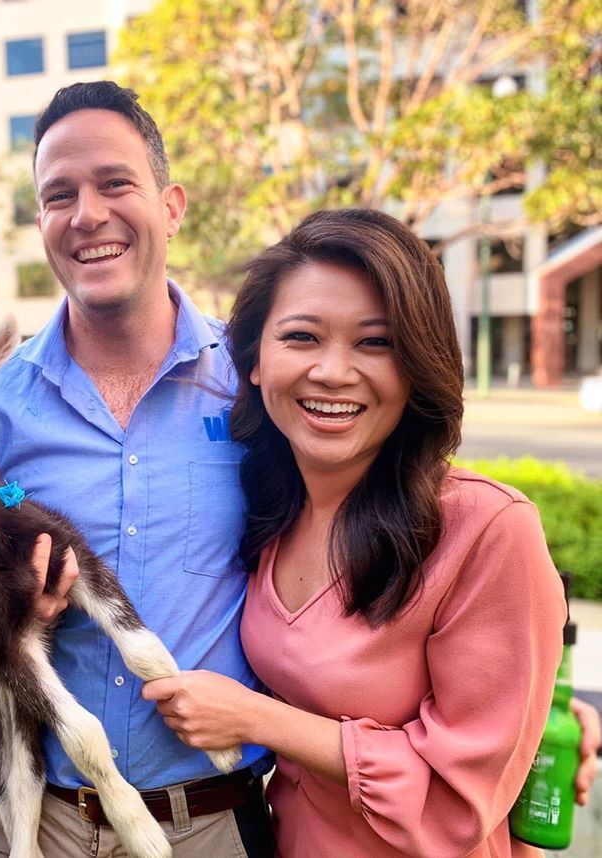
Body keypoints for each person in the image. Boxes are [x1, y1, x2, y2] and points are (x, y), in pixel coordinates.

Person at [143, 208, 568, 857]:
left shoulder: (485, 529)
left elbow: (461, 796)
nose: (333, 372)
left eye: (375, 343)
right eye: (302, 337)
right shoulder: (267, 509)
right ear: (253, 360)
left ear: (417, 364)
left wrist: (258, 719)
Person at [0, 81, 275, 857]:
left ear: (171, 207)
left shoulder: (257, 383)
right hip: (42, 823)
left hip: (212, 825)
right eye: (59, 195)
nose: (87, 215)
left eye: (115, 183)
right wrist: (2, 603)